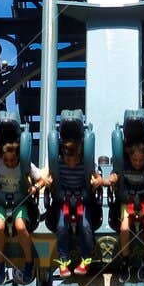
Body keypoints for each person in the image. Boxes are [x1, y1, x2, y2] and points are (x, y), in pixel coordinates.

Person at [0, 119, 43, 286]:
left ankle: (29, 262)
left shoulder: (25, 165)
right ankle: (0, 265)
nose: (9, 164)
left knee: (20, 226)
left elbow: (42, 179)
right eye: (7, 161)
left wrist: (35, 187)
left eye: (12, 161)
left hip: (19, 204)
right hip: (0, 204)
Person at [40, 114, 104, 277]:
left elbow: (97, 176)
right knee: (61, 226)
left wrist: (98, 181)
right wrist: (45, 182)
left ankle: (86, 258)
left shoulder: (86, 162)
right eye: (68, 159)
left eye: (73, 159)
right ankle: (63, 260)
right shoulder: (59, 162)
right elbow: (49, 177)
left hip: (83, 200)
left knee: (86, 226)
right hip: (65, 201)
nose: (70, 163)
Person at [109, 121, 144, 277]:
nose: (138, 163)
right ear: (129, 157)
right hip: (128, 202)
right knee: (125, 227)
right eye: (135, 160)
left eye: (141, 161)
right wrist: (110, 181)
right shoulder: (123, 165)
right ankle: (125, 259)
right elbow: (113, 180)